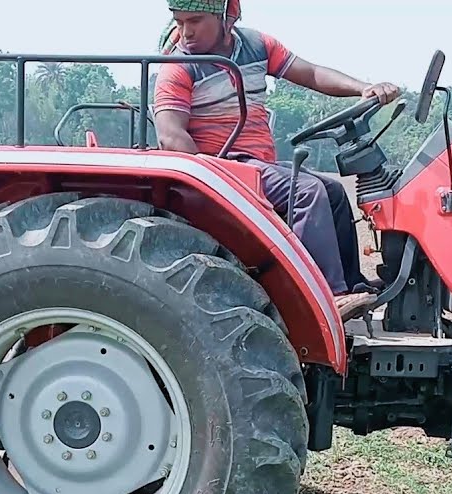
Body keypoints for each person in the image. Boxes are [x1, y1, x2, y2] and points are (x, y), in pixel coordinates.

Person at [153, 0, 400, 320]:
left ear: (227, 15)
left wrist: (363, 88)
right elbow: (170, 136)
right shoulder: (179, 66)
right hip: (224, 164)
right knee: (308, 192)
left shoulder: (256, 46)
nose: (185, 32)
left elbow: (311, 73)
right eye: (180, 21)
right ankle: (327, 296)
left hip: (258, 163)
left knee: (335, 192)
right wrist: (216, 180)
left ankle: (353, 288)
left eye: (195, 21)